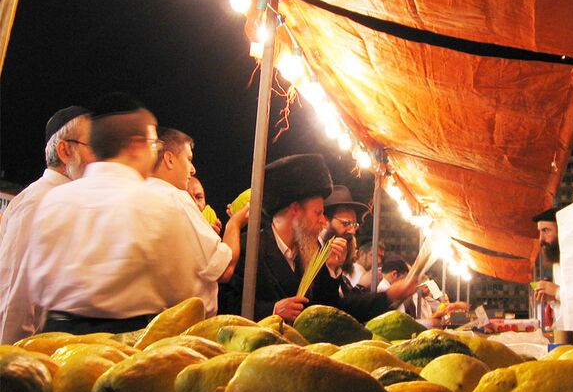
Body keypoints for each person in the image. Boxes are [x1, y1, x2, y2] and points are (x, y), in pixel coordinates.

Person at [14, 93, 238, 336]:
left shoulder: (55, 200)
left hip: (55, 337)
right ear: (135, 146)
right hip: (124, 340)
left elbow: (35, 283)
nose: (155, 154)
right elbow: (182, 293)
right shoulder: (161, 204)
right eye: (154, 145)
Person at [219, 155, 417, 323]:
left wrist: (389, 296)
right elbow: (224, 307)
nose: (323, 221)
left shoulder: (312, 254)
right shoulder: (249, 249)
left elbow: (330, 310)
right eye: (318, 213)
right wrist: (271, 311)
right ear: (295, 210)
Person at [0, 106, 95, 343]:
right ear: (65, 150)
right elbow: (16, 293)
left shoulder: (67, 201)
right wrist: (11, 360)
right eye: (94, 146)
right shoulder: (38, 202)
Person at [146, 128, 248, 315]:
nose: (193, 170)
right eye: (189, 159)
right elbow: (224, 270)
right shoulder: (176, 198)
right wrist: (235, 223)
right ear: (169, 159)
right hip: (182, 326)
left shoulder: (140, 195)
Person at [531, 208, 561, 329]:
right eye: (540, 232)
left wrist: (557, 291)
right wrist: (553, 299)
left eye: (546, 230)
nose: (541, 239)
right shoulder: (557, 262)